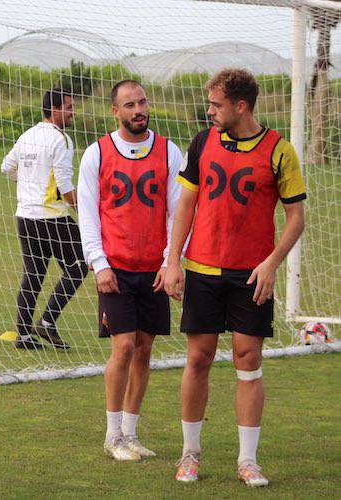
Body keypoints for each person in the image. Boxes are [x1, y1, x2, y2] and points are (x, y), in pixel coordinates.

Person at [164, 68, 306, 487]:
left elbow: (296, 218)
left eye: (216, 104)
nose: (209, 110)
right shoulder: (203, 141)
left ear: (240, 106)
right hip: (203, 269)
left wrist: (272, 262)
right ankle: (190, 453)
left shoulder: (280, 151)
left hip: (252, 275)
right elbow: (185, 205)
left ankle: (248, 460)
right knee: (197, 358)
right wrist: (173, 260)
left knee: (248, 361)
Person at [78, 80, 183, 461]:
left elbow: (179, 211)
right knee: (122, 347)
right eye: (129, 104)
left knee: (143, 350)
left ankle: (131, 433)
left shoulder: (169, 152)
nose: (138, 109)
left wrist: (172, 259)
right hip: (115, 269)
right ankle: (112, 436)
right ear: (115, 111)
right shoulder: (97, 154)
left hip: (153, 269)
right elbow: (88, 214)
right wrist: (99, 263)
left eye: (141, 102)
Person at [0, 88, 88, 350]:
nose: (73, 113)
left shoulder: (28, 135)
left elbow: (7, 167)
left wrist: (27, 181)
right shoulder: (60, 139)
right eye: (69, 107)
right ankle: (47, 321)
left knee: (34, 274)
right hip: (52, 215)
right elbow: (63, 184)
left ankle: (24, 334)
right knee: (80, 265)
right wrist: (83, 215)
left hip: (25, 215)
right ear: (55, 109)